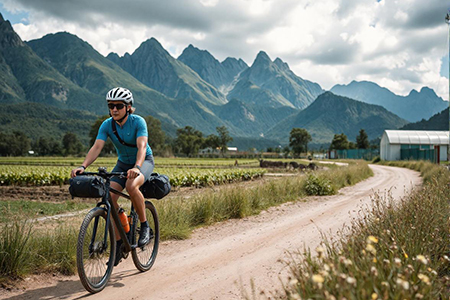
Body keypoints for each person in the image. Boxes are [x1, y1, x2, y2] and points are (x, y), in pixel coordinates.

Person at [70, 87, 154, 266]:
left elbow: (142, 146)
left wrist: (137, 167)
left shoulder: (139, 122)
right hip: (123, 163)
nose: (114, 109)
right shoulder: (107, 124)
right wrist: (82, 166)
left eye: (118, 106)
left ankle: (145, 226)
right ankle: (118, 244)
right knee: (109, 197)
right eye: (111, 106)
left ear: (128, 107)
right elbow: (97, 147)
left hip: (143, 161)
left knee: (131, 186)